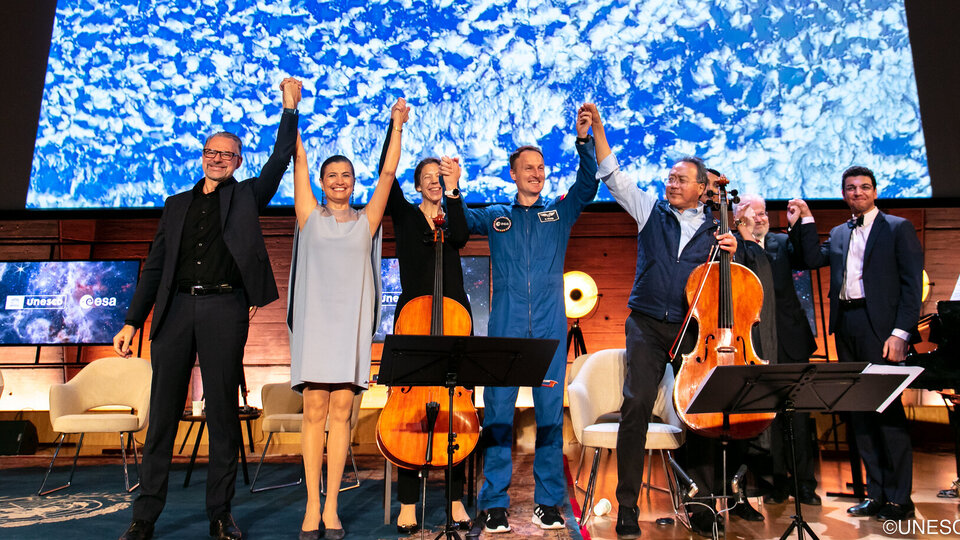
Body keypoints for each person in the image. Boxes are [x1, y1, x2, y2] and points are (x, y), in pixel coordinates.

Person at [113, 77, 302, 540]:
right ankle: (145, 516)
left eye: (227, 154)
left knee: (221, 414)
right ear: (203, 157)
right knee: (161, 416)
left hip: (224, 309)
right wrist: (132, 320)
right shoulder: (175, 205)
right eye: (210, 152)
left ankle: (220, 514)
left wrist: (289, 109)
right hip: (175, 310)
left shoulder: (245, 196)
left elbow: (280, 160)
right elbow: (155, 266)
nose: (218, 159)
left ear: (238, 162)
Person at [580, 103, 740, 539]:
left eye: (680, 179)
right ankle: (628, 508)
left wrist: (734, 245)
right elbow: (613, 174)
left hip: (693, 331)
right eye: (669, 177)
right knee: (635, 406)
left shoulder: (718, 230)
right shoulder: (651, 211)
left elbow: (733, 282)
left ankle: (703, 502)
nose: (670, 184)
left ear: (704, 189)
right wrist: (599, 130)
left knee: (701, 410)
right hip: (647, 326)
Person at [466, 107, 599, 533]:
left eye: (541, 168)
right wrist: (448, 193)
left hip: (548, 332)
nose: (536, 174)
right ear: (513, 174)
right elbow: (456, 223)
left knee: (548, 418)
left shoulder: (558, 214)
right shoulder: (495, 216)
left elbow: (587, 185)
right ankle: (494, 504)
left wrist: (584, 142)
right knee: (499, 416)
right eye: (528, 168)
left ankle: (547, 502)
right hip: (505, 331)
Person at [286, 98, 409, 540]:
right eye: (331, 176)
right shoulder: (307, 217)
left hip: (350, 329)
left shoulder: (367, 221)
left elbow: (389, 174)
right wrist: (291, 111)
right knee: (313, 410)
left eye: (347, 176)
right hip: (315, 328)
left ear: (354, 184)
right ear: (321, 183)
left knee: (342, 413)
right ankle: (311, 505)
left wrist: (396, 125)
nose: (340, 182)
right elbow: (296, 155)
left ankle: (333, 505)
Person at [787, 166, 923, 522]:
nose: (857, 192)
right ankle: (875, 494)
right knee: (859, 413)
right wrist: (804, 219)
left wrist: (901, 334)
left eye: (864, 187)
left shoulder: (898, 228)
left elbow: (912, 287)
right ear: (844, 194)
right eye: (851, 188)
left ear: (874, 192)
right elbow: (812, 260)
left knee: (887, 413)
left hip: (881, 330)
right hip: (846, 325)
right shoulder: (839, 232)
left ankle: (900, 499)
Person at [385, 154, 473, 533]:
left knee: (456, 408)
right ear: (417, 184)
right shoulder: (405, 216)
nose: (435, 181)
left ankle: (454, 500)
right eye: (428, 177)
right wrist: (396, 128)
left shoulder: (452, 215)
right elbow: (385, 179)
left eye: (441, 177)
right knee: (409, 410)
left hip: (454, 316)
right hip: (413, 319)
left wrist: (455, 191)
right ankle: (408, 503)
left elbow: (461, 236)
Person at [734, 193, 821, 507]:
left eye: (763, 212)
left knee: (796, 414)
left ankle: (804, 484)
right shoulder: (731, 245)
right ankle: (773, 482)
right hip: (754, 340)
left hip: (789, 338)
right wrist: (743, 238)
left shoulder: (781, 242)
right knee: (764, 413)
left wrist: (803, 223)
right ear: (738, 218)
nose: (760, 217)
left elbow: (810, 258)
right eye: (752, 213)